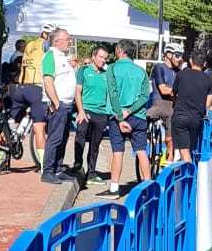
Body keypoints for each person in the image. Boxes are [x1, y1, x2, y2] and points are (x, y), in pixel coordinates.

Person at [105, 40, 152, 194]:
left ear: (119, 50)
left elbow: (113, 94)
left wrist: (120, 115)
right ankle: (148, 187)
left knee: (118, 151)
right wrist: (131, 110)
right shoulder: (141, 72)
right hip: (138, 116)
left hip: (117, 116)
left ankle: (114, 188)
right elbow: (145, 96)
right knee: (141, 151)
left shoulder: (112, 69)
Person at [40, 27, 77, 184]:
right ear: (57, 41)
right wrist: (56, 102)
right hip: (59, 103)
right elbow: (48, 81)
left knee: (63, 137)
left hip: (67, 103)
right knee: (55, 138)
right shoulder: (51, 56)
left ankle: (58, 168)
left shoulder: (63, 57)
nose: (69, 42)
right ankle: (47, 171)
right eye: (67, 39)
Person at [73, 44, 111, 190]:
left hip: (101, 114)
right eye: (101, 57)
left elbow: (110, 95)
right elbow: (78, 92)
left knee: (95, 145)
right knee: (80, 135)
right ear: (94, 56)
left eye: (105, 58)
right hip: (86, 110)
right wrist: (81, 111)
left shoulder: (106, 74)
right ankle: (77, 165)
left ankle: (92, 172)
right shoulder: (84, 70)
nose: (103, 60)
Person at [170, 51, 212, 162]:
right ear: (204, 64)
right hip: (196, 119)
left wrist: (175, 101)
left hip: (180, 117)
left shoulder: (181, 74)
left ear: (190, 61)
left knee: (184, 151)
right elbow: (208, 103)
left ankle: (190, 175)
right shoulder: (208, 80)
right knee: (191, 149)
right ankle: (191, 172)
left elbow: (173, 94)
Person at [14, 35, 48, 159]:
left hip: (21, 87)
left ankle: (0, 158)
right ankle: (44, 166)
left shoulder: (29, 46)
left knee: (14, 125)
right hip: (36, 87)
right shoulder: (46, 47)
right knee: (39, 127)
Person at [147, 43, 183, 147]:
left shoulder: (178, 71)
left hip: (173, 105)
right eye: (177, 55)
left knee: (171, 139)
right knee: (140, 119)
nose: (179, 58)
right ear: (168, 54)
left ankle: (170, 158)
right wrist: (177, 92)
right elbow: (163, 90)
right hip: (159, 103)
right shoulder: (159, 67)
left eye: (181, 55)